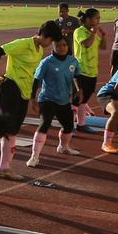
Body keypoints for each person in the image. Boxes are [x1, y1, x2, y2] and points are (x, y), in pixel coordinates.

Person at [0, 21, 62, 179]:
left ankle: (4, 167)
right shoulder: (22, 44)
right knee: (7, 128)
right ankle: (4, 167)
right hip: (11, 88)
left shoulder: (39, 49)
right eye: (50, 40)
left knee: (13, 130)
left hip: (24, 92)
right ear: (43, 35)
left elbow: (32, 73)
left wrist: (32, 97)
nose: (50, 45)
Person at [27, 37, 83, 168]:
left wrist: (80, 90)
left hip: (64, 100)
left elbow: (77, 76)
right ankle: (34, 156)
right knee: (45, 123)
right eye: (58, 45)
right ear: (53, 47)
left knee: (69, 126)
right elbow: (36, 81)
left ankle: (63, 147)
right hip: (47, 99)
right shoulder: (46, 62)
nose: (62, 48)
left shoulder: (72, 61)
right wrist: (32, 98)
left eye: (64, 45)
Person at [71, 8, 107, 134]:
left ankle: (81, 124)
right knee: (76, 99)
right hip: (80, 71)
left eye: (99, 18)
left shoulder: (93, 32)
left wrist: (102, 35)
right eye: (96, 18)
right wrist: (93, 33)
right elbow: (86, 44)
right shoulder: (79, 31)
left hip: (92, 71)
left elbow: (103, 46)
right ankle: (69, 126)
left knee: (84, 99)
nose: (98, 20)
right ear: (87, 19)